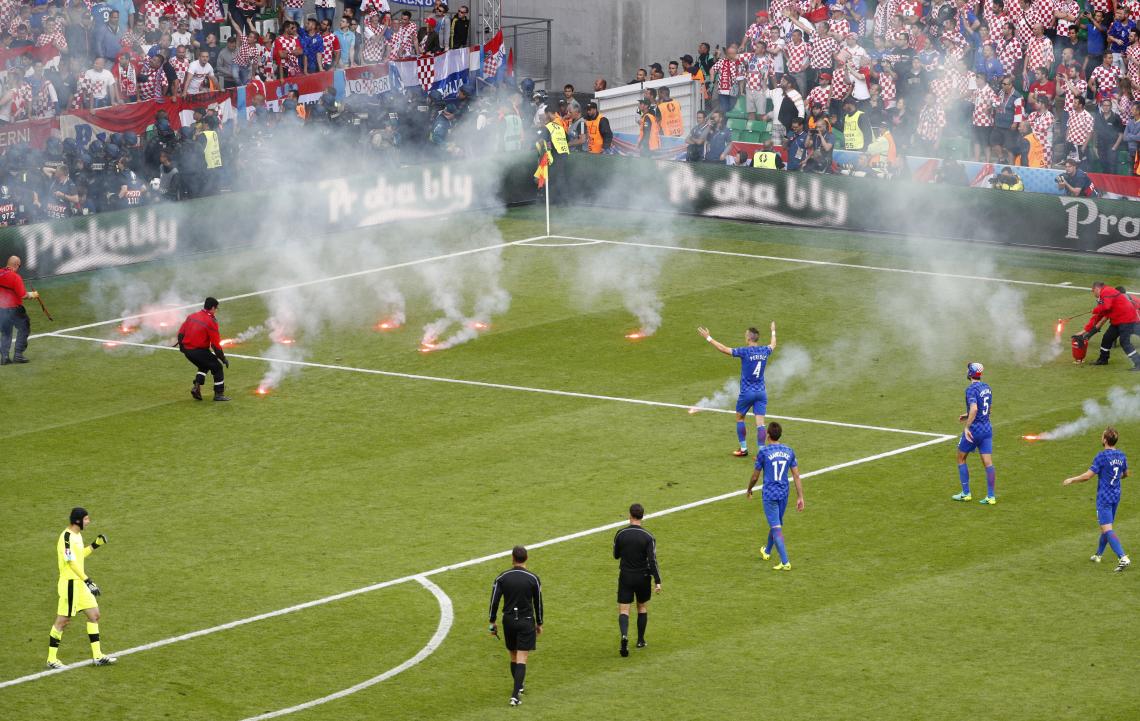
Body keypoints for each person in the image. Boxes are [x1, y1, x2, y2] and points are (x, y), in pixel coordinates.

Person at [48, 507, 116, 669]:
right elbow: (71, 562)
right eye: (86, 519)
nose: (89, 521)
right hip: (70, 584)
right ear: (78, 521)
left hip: (79, 583)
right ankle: (51, 659)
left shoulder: (78, 535)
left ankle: (98, 656)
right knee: (63, 621)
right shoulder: (66, 537)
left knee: (94, 615)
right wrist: (87, 580)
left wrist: (95, 545)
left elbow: (79, 556)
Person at [697, 323, 777, 457]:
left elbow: (724, 349)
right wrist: (773, 331)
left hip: (747, 393)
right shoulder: (765, 350)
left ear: (749, 338)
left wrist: (708, 338)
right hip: (761, 392)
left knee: (740, 418)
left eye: (746, 335)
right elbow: (773, 344)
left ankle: (744, 448)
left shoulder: (745, 352)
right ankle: (762, 452)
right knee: (760, 423)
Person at [1063, 427, 1131, 572]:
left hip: (1104, 498)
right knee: (1105, 527)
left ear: (1105, 440)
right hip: (1116, 495)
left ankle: (1122, 557)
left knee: (1107, 529)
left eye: (1102, 436)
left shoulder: (1102, 456)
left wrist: (1071, 480)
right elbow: (1126, 474)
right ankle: (1098, 555)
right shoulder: (1121, 455)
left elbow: (1088, 476)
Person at [488, 545, 543, 707]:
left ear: (512, 558)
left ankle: (519, 687)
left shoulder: (502, 578)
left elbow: (494, 601)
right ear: (526, 558)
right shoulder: (533, 579)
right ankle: (515, 695)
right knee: (522, 659)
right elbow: (538, 603)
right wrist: (539, 623)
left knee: (513, 656)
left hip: (509, 621)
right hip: (526, 621)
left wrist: (492, 622)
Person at [746, 422, 804, 571]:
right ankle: (767, 551)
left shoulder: (764, 452)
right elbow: (796, 475)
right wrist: (800, 497)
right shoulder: (789, 451)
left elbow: (755, 477)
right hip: (784, 493)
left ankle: (785, 562)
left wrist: (749, 489)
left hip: (770, 495)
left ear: (768, 435)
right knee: (776, 523)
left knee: (776, 528)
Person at [612, 503, 661, 658]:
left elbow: (616, 555)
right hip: (643, 577)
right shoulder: (648, 537)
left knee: (624, 609)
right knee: (641, 607)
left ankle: (624, 636)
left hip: (626, 576)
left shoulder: (620, 534)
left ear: (630, 515)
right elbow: (652, 561)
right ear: (642, 516)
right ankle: (640, 640)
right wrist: (657, 581)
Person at [953, 362, 996, 505]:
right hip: (987, 430)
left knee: (960, 458)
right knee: (988, 463)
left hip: (974, 431)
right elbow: (987, 410)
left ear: (970, 373)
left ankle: (966, 493)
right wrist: (967, 415)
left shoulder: (971, 389)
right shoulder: (987, 388)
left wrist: (967, 426)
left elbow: (975, 409)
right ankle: (991, 497)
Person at [176, 297, 230, 401]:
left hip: (188, 351)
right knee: (217, 367)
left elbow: (181, 334)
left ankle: (196, 387)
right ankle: (219, 394)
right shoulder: (211, 322)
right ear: (213, 307)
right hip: (199, 351)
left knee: (205, 364)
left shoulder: (191, 316)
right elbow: (215, 346)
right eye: (216, 309)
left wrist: (183, 348)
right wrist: (223, 359)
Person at [1076, 281, 1140, 369]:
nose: (1092, 292)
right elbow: (1100, 316)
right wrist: (1085, 330)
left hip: (1127, 320)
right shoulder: (1105, 295)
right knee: (1107, 338)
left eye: (1092, 290)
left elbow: (1106, 307)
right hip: (1117, 320)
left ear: (1097, 288)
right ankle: (1103, 360)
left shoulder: (1106, 292)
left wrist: (1096, 309)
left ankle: (1138, 363)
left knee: (1124, 342)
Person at [0, 256, 39, 365]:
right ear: (16, 265)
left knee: (6, 332)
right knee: (24, 328)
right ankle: (18, 355)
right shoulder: (15, 277)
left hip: (1, 309)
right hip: (14, 310)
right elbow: (23, 295)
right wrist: (33, 294)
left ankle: (4, 357)